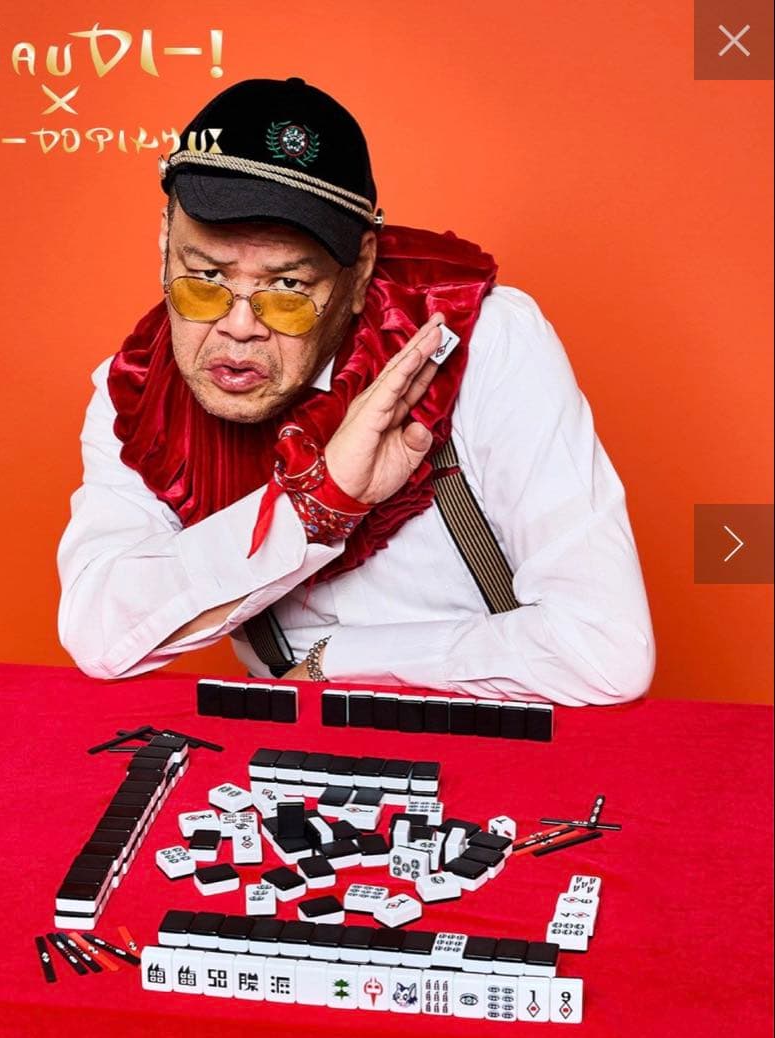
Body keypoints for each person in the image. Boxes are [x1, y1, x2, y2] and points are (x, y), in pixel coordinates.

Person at [56, 76, 655, 705]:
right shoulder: (140, 391)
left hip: (492, 733)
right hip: (285, 746)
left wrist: (332, 663)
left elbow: (604, 651)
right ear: (164, 241)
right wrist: (321, 501)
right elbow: (101, 636)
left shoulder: (482, 342)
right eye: (204, 276)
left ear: (361, 268)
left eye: (288, 287)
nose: (238, 327)